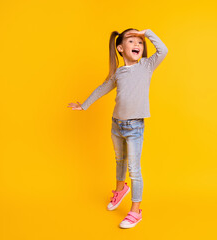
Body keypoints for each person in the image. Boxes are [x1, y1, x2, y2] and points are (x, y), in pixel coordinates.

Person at [67, 28, 168, 228]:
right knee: (119, 161)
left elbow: (163, 50)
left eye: (140, 42)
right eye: (132, 41)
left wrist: (146, 32)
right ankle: (120, 190)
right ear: (121, 48)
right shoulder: (119, 72)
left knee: (134, 169)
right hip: (117, 124)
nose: (137, 45)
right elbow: (103, 87)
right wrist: (84, 105)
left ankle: (135, 211)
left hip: (135, 127)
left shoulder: (147, 66)